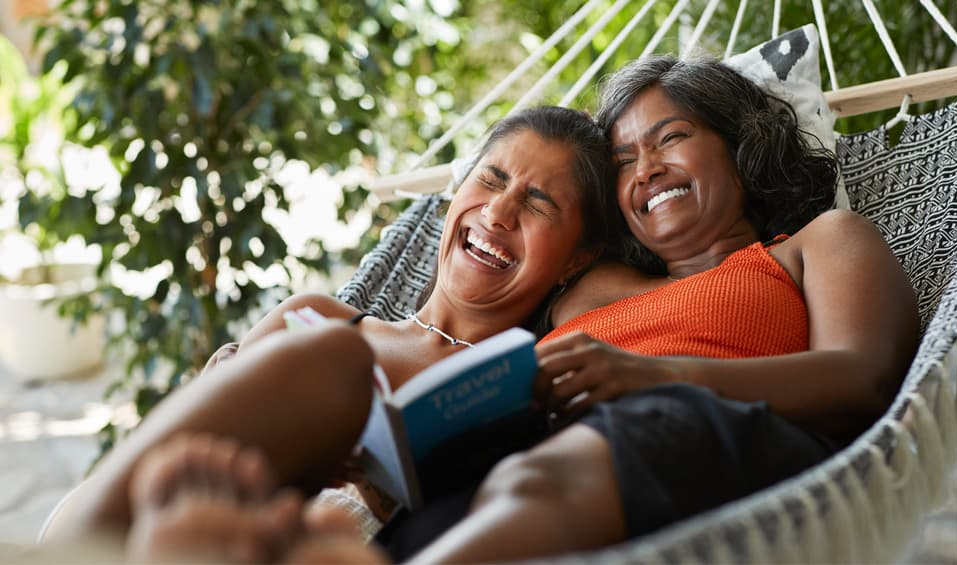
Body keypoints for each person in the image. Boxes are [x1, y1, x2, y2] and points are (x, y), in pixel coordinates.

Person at [370, 55, 919, 562]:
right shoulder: (583, 287)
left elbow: (863, 379)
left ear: (739, 145)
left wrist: (655, 375)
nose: (646, 170)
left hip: (706, 448)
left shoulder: (818, 243)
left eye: (671, 138)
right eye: (624, 162)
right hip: (529, 471)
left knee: (545, 479)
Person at [38, 104, 619, 561]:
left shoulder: (521, 385)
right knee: (325, 358)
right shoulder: (317, 316)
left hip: (329, 545)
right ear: (455, 196)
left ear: (578, 259)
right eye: (490, 180)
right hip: (141, 529)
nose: (499, 212)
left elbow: (687, 286)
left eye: (538, 205)